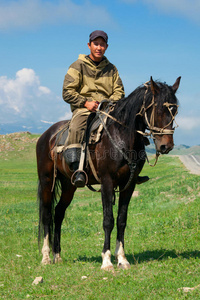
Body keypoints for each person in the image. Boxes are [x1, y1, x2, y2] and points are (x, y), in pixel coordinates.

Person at [62, 30, 149, 187]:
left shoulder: (112, 69)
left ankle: (134, 169)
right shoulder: (77, 66)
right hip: (85, 109)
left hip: (109, 109)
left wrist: (109, 103)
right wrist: (85, 103)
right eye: (96, 44)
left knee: (132, 126)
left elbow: (119, 91)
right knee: (76, 126)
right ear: (89, 45)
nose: (99, 47)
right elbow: (67, 92)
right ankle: (77, 169)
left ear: (106, 47)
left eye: (102, 44)